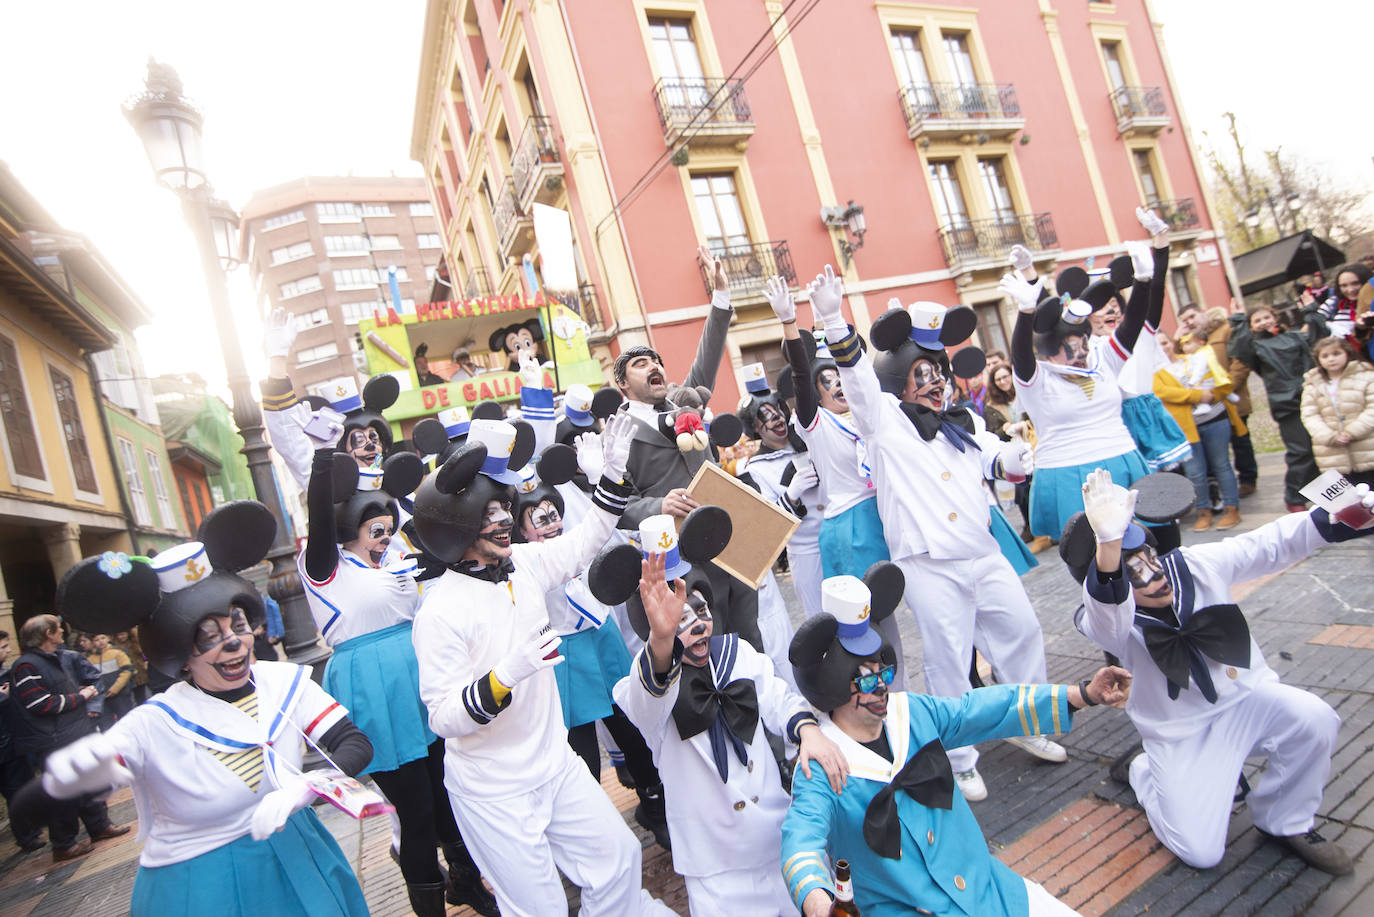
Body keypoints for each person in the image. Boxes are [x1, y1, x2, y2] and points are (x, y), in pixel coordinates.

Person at [20, 505, 375, 916]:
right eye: (208, 635)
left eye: (237, 625)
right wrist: (66, 780)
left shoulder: (283, 682)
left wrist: (309, 787)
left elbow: (353, 742)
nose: (233, 644)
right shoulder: (154, 722)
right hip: (201, 883)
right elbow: (32, 809)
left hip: (298, 850)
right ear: (179, 652)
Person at [808, 263, 1056, 802]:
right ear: (901, 381)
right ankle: (960, 755)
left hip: (983, 554)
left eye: (938, 371)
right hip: (926, 565)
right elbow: (858, 382)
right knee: (948, 658)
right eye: (922, 373)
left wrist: (1022, 454)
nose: (935, 381)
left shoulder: (965, 422)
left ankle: (1030, 721)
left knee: (1022, 632)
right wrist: (833, 318)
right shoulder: (885, 423)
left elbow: (999, 459)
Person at [410, 413, 674, 916]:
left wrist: (611, 477)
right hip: (493, 791)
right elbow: (443, 718)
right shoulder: (439, 611)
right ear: (455, 528)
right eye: (486, 514)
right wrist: (506, 674)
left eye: (501, 508)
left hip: (554, 765)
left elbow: (584, 542)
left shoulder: (525, 566)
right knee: (539, 909)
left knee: (617, 860)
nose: (504, 519)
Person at [1068, 469, 1374, 874]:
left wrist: (1336, 517)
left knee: (1314, 718)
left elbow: (1267, 544)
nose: (1153, 576)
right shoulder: (1100, 617)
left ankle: (1286, 821)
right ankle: (1144, 772)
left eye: (1149, 560)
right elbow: (1109, 618)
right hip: (1182, 733)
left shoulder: (1192, 565)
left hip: (1248, 700)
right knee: (1200, 852)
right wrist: (1107, 542)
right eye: (1133, 572)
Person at [780, 593, 1130, 916]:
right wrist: (820, 904)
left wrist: (1081, 694)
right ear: (834, 686)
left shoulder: (912, 712)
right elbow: (801, 843)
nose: (883, 686)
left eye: (883, 671)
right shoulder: (823, 763)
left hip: (990, 891)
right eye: (868, 681)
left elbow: (983, 709)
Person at [298, 446, 495, 916]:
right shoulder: (325, 568)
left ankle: (466, 881)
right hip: (371, 685)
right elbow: (319, 525)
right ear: (351, 531)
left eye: (387, 529)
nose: (384, 538)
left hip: (418, 677)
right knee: (417, 811)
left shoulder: (395, 562)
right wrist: (323, 470)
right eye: (374, 530)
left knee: (447, 791)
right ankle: (429, 906)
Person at [612, 547, 850, 915]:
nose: (696, 625)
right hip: (715, 865)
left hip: (777, 840)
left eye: (701, 611)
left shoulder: (737, 653)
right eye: (679, 618)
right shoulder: (644, 687)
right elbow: (646, 703)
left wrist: (808, 730)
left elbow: (778, 697)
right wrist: (662, 641)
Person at [511, 470, 672, 850]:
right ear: (522, 530)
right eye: (537, 519)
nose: (549, 525)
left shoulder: (577, 543)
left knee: (632, 728)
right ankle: (589, 833)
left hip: (602, 640)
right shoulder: (523, 562)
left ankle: (655, 805)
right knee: (580, 751)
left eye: (552, 515)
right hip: (560, 653)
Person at [615, 245, 761, 650]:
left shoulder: (685, 401)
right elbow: (615, 508)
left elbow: (708, 358)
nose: (653, 366)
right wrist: (658, 506)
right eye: (640, 364)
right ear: (623, 385)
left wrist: (721, 297)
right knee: (704, 649)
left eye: (655, 359)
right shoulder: (617, 435)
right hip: (679, 557)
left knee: (749, 638)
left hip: (728, 538)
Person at [1000, 208, 1169, 540]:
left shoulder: (1104, 357)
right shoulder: (1037, 378)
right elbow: (1021, 351)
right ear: (1049, 351)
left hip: (1121, 460)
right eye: (1068, 346)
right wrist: (1025, 311)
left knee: (1144, 544)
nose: (1078, 353)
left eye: (1082, 343)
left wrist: (1146, 281)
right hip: (1066, 474)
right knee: (1092, 558)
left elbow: (1135, 323)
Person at [767, 277, 887, 615]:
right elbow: (802, 377)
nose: (838, 386)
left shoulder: (866, 416)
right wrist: (789, 323)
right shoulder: (815, 424)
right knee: (868, 620)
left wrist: (833, 316)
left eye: (840, 378)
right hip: (849, 526)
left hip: (883, 513)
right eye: (828, 381)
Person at [7, 614, 131, 861]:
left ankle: (99, 826)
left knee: (90, 782)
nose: (63, 632)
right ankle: (63, 844)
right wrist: (81, 697)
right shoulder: (26, 665)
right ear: (47, 635)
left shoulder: (56, 658)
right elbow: (39, 703)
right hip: (52, 740)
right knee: (64, 791)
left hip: (71, 732)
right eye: (57, 629)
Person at [1228, 304, 1329, 511]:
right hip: (1287, 403)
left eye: (1266, 317)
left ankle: (1321, 493)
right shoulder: (1254, 347)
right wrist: (1239, 321)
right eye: (1257, 320)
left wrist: (1310, 311)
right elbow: (1240, 349)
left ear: (1275, 317)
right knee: (1301, 451)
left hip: (1313, 397)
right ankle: (1293, 496)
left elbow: (1319, 339)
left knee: (1321, 448)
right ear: (1251, 327)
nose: (1263, 322)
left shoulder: (1294, 337)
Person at [1155, 333, 1244, 531]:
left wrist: (1211, 395)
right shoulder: (1154, 372)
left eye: (1165, 342)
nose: (1163, 347)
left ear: (1172, 343)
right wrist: (1198, 395)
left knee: (1222, 465)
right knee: (1195, 472)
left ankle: (1232, 508)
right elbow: (1165, 393)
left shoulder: (1195, 359)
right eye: (1157, 345)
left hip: (1215, 418)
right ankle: (1203, 511)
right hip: (1185, 428)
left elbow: (1220, 379)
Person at [1180, 303, 1258, 496]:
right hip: (1209, 403)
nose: (1189, 322)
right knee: (1217, 450)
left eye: (1192, 316)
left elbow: (1240, 361)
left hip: (1231, 397)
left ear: (1202, 313)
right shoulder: (1190, 340)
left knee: (1241, 442)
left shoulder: (1225, 331)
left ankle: (1248, 481)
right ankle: (1225, 488)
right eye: (1184, 320)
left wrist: (1224, 388)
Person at [1301, 336, 1374, 488]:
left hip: (1367, 448)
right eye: (1325, 356)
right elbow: (1309, 415)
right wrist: (1329, 436)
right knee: (1349, 503)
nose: (1331, 359)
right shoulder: (1312, 384)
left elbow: (1372, 409)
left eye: (1336, 354)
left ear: (1347, 353)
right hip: (1333, 453)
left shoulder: (1366, 376)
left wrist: (1352, 432)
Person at [0, 629, 44, 852]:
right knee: (15, 791)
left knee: (20, 788)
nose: (8, 651)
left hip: (12, 744)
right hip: (5, 746)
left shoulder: (6, 673)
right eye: (3, 647)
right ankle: (27, 835)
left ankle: (29, 833)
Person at [85, 633, 135, 730]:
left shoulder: (117, 653)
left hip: (120, 694)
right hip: (103, 698)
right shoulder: (90, 660)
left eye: (103, 638)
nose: (101, 641)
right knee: (107, 726)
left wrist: (115, 688)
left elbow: (127, 671)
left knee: (127, 722)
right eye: (97, 640)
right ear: (93, 643)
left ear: (108, 638)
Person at [1319, 263, 1374, 342]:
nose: (1350, 290)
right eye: (1344, 286)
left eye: (1355, 283)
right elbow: (1311, 327)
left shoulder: (1371, 304)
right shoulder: (1333, 303)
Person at [113, 629, 149, 705]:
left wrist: (144, 661)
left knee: (141, 696)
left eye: (123, 634)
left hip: (139, 672)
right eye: (118, 635)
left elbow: (142, 653)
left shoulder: (134, 643)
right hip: (126, 674)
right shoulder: (115, 647)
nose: (121, 637)